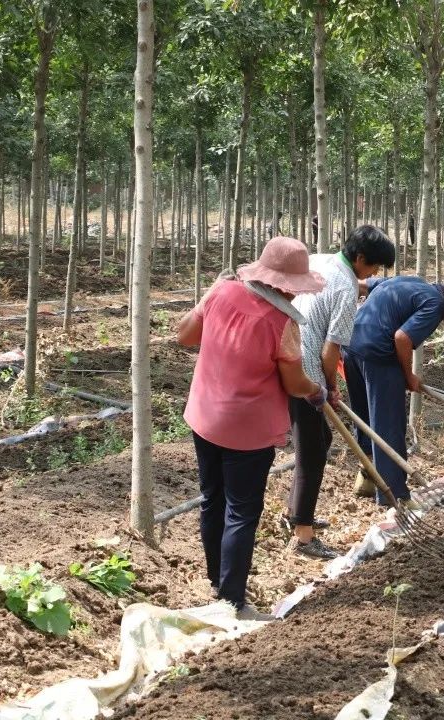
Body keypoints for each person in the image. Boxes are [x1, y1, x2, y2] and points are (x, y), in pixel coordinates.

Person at [177, 236, 327, 621]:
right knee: (241, 512)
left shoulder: (222, 293)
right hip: (247, 430)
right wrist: (316, 391)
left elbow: (185, 336)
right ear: (286, 286)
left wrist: (211, 293)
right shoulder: (281, 323)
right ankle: (233, 602)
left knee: (213, 499)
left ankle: (218, 580)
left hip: (204, 417)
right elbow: (294, 384)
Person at [286, 225, 396, 559]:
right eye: (374, 267)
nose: (374, 274)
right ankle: (302, 538)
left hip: (289, 353)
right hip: (304, 368)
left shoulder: (321, 261)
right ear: (360, 258)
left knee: (321, 439)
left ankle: (297, 514)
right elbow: (329, 353)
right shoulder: (346, 288)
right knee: (312, 449)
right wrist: (332, 387)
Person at [344, 273, 444, 505]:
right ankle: (395, 496)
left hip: (351, 346)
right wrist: (407, 375)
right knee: (389, 424)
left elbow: (365, 284)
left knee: (365, 419)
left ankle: (367, 479)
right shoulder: (435, 303)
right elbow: (402, 337)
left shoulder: (410, 282)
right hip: (378, 353)